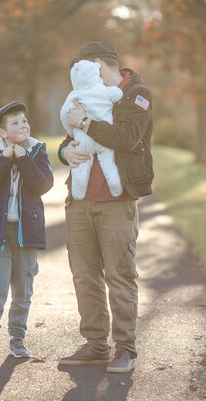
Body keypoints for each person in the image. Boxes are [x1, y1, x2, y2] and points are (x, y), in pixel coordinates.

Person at [57, 42, 154, 373]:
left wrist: (85, 124)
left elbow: (127, 137)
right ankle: (96, 344)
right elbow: (70, 132)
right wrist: (63, 153)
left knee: (120, 274)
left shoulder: (136, 93)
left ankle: (124, 347)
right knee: (84, 276)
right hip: (81, 201)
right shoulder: (85, 93)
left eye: (79, 69)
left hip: (117, 201)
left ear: (96, 64)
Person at [0, 100, 53, 362]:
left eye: (24, 121)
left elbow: (43, 184)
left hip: (27, 231)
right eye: (15, 123)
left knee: (23, 288)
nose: (23, 125)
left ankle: (17, 337)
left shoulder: (37, 151)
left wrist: (23, 157)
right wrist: (6, 159)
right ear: (3, 132)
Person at [59, 59, 124, 199]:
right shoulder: (103, 90)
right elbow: (118, 94)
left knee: (82, 163)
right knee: (108, 160)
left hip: (83, 139)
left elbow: (64, 115)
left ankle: (79, 187)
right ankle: (114, 182)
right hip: (103, 138)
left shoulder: (74, 95)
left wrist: (72, 130)